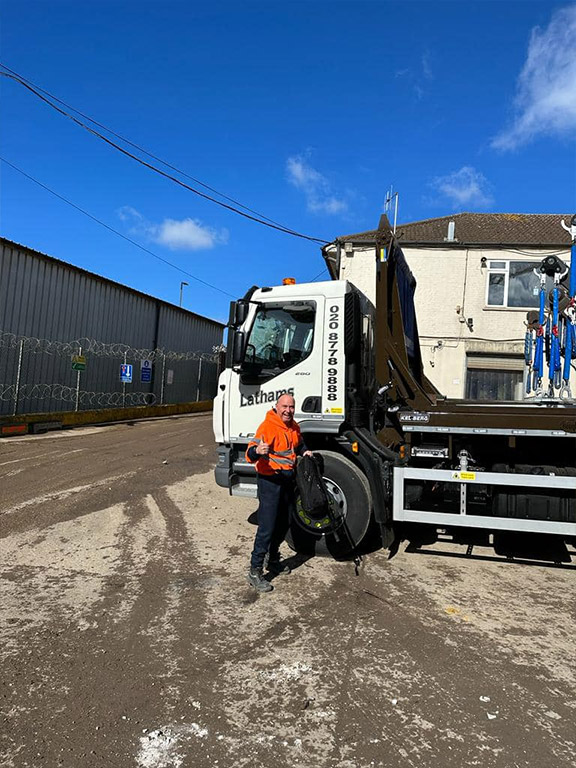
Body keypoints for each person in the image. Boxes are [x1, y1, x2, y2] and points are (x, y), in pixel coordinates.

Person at [245, 393, 312, 592]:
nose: (288, 411)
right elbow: (250, 451)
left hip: (287, 481)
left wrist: (305, 452)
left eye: (291, 407)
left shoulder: (294, 427)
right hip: (270, 481)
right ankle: (255, 570)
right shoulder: (267, 426)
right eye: (284, 406)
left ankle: (273, 559)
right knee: (267, 526)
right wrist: (257, 451)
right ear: (276, 407)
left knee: (284, 523)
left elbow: (298, 444)